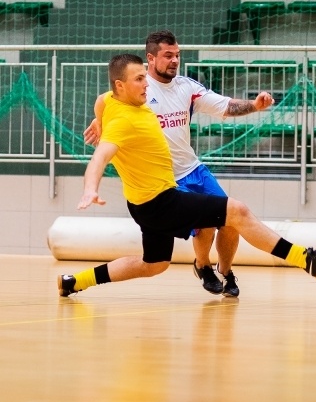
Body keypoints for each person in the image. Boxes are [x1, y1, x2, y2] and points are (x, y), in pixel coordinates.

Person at [59, 53, 316, 297]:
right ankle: (305, 258)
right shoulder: (122, 122)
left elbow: (100, 103)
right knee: (237, 211)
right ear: (120, 85)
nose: (146, 84)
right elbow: (100, 156)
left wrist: (99, 120)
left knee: (153, 264)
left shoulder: (109, 101)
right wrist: (90, 188)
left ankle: (73, 281)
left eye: (145, 76)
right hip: (161, 201)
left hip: (143, 204)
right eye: (139, 79)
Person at [84, 30, 270, 298]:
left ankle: (226, 271)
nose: (174, 60)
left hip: (193, 168)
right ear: (150, 58)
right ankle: (203, 265)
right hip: (165, 181)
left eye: (177, 55)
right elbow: (104, 100)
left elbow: (225, 106)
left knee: (231, 221)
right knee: (204, 225)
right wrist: (101, 121)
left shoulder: (186, 87)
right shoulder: (138, 87)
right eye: (168, 55)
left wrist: (254, 105)